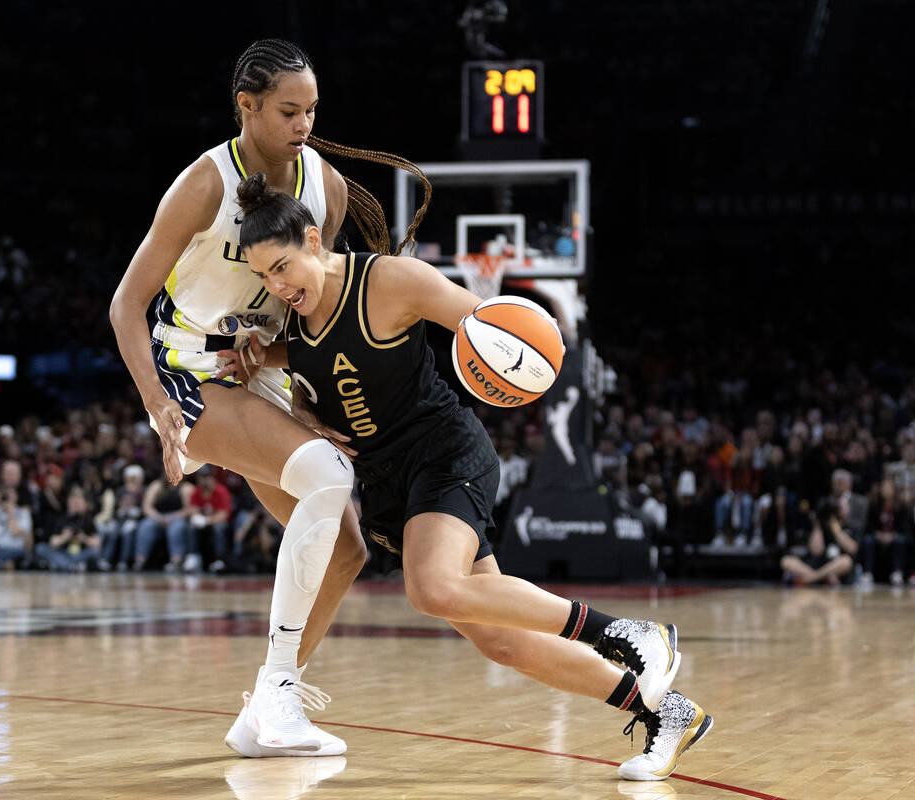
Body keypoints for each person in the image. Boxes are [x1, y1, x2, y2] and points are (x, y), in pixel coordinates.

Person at [218, 173, 713, 782]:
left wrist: (521, 360)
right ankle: (665, 711)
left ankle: (628, 634)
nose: (277, 285)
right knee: (498, 641)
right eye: (264, 275)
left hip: (442, 454)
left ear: (315, 240)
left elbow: (491, 325)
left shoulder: (392, 282)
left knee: (431, 589)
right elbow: (302, 369)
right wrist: (270, 379)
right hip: (385, 486)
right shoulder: (287, 322)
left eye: (283, 267)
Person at [108, 39, 431, 756]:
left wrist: (307, 397)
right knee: (326, 473)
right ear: (246, 106)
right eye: (288, 110)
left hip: (263, 371)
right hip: (190, 368)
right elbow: (125, 305)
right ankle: (279, 703)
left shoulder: (329, 188)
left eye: (313, 110)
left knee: (345, 550)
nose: (304, 123)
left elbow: (308, 310)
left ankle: (264, 709)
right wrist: (157, 401)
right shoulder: (203, 185)